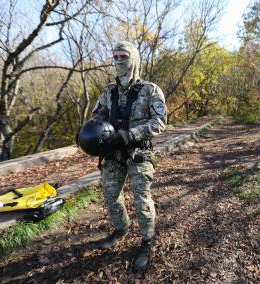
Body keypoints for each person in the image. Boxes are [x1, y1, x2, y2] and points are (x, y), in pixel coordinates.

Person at [90, 41, 167, 272]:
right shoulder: (109, 91)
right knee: (111, 195)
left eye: (123, 55)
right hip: (112, 152)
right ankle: (121, 228)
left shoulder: (150, 90)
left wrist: (131, 134)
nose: (118, 60)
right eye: (115, 56)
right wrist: (90, 134)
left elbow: (160, 122)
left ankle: (147, 241)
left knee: (141, 198)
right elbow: (97, 118)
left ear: (133, 58)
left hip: (139, 152)